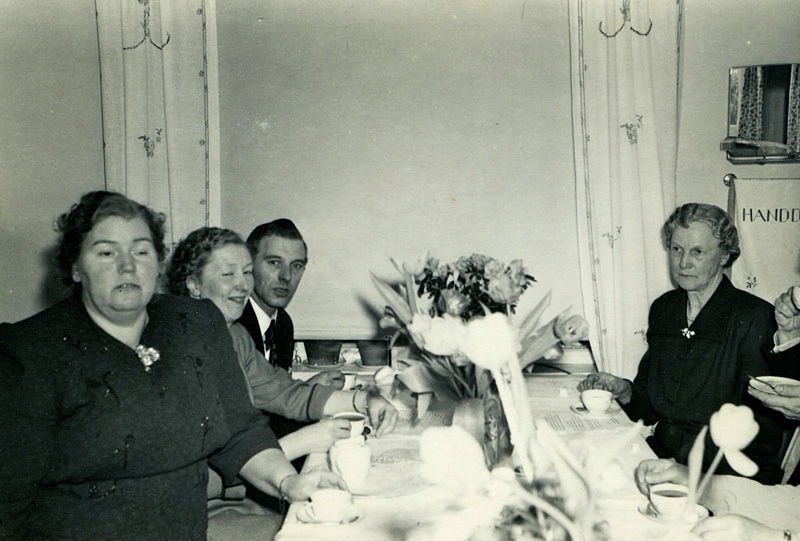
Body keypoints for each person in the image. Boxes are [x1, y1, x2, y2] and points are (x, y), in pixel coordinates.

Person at [0, 192, 345, 540]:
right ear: (75, 266)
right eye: (106, 252)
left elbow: (241, 433)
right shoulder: (30, 352)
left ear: (157, 261)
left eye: (141, 251)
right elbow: (8, 505)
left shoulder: (198, 323)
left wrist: (288, 482)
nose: (127, 265)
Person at [579, 203, 785, 483]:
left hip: (723, 473)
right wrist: (623, 389)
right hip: (662, 455)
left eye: (698, 252)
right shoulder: (665, 309)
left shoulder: (754, 317)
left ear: (724, 255)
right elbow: (649, 407)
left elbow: (763, 435)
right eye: (677, 249)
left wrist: (690, 475)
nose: (683, 262)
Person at [165, 226, 398, 456]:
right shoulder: (174, 347)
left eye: (247, 273)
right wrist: (303, 442)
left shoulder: (235, 335)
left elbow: (282, 392)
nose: (244, 286)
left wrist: (364, 400)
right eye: (228, 274)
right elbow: (216, 461)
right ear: (194, 285)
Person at [237, 219, 342, 441]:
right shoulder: (234, 323)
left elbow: (269, 396)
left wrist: (307, 388)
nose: (286, 276)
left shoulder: (283, 323)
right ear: (249, 264)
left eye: (296, 266)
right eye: (274, 262)